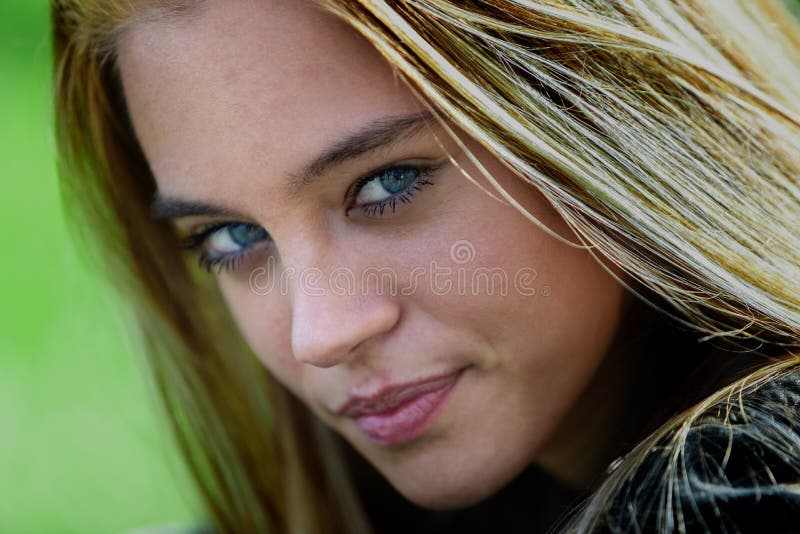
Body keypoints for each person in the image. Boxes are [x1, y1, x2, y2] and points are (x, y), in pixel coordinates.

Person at [51, 1, 800, 532]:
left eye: (387, 184)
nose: (321, 334)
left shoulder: (746, 492)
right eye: (231, 238)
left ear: (606, 110)